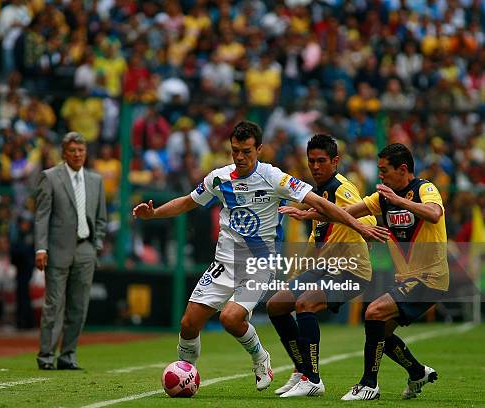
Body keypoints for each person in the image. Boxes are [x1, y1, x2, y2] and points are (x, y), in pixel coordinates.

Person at [133, 121, 388, 391]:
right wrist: (155, 213)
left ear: (259, 150)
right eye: (235, 151)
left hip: (259, 265)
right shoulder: (219, 178)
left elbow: (320, 203)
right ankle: (187, 374)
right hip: (224, 263)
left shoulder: (274, 177)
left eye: (246, 151)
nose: (240, 157)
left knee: (230, 319)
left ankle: (261, 359)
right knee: (188, 324)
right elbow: (187, 201)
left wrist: (359, 226)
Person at [281, 143, 448, 400]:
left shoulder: (424, 189)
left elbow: (435, 214)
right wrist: (307, 214)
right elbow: (346, 213)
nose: (380, 176)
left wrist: (399, 200)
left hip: (430, 277)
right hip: (407, 278)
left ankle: (369, 384)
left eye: (384, 171)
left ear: (402, 169)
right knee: (381, 329)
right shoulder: (382, 197)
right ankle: (416, 372)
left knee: (374, 312)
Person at [266, 134, 377, 397]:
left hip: (351, 270)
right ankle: (301, 368)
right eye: (311, 161)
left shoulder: (341, 188)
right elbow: (316, 242)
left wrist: (364, 232)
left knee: (305, 303)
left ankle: (312, 379)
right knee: (276, 305)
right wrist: (294, 276)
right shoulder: (317, 193)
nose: (315, 166)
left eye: (321, 161)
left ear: (335, 161)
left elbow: (368, 218)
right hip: (323, 270)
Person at [34, 132, 107, 370]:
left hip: (85, 249)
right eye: (73, 150)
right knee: (54, 305)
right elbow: (42, 216)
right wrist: (41, 248)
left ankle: (68, 355)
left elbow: (101, 219)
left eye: (81, 150)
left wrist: (95, 247)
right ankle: (46, 356)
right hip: (57, 249)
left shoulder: (96, 180)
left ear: (86, 153)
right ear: (64, 153)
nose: (77, 155)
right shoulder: (50, 177)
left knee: (79, 306)